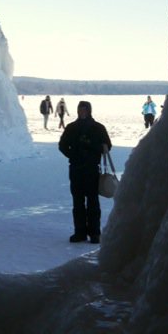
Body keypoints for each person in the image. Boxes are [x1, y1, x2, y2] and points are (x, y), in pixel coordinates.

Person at [58, 100, 111, 244]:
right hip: (76, 169)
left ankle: (95, 233)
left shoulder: (98, 128)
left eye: (84, 109)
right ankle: (80, 232)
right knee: (78, 202)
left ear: (89, 111)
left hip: (92, 169)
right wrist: (73, 155)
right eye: (80, 109)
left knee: (93, 202)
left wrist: (91, 147)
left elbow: (107, 146)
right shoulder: (71, 127)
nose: (82, 112)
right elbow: (62, 145)